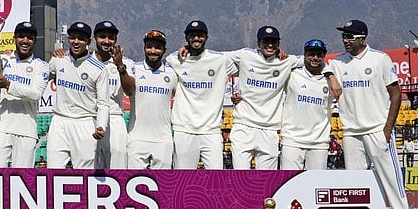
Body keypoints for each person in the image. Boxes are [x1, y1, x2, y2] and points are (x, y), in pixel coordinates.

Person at [328, 19, 418, 209]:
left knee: (393, 185)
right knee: (355, 188)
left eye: (350, 36)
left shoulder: (380, 59)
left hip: (377, 130)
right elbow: (320, 66)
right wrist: (330, 75)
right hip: (351, 133)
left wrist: (387, 129)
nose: (345, 40)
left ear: (363, 38)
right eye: (344, 36)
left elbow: (396, 94)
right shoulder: (338, 62)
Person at [227, 26, 302, 170]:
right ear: (258, 43)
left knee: (266, 182)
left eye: (274, 41)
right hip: (244, 126)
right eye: (266, 41)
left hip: (269, 130)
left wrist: (330, 75)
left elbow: (313, 60)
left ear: (279, 44)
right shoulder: (245, 55)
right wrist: (187, 49)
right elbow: (214, 58)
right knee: (240, 178)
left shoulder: (286, 61)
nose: (270, 45)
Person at [167, 20, 236, 169]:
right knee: (183, 180)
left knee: (216, 181)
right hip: (184, 130)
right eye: (192, 35)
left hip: (211, 131)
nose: (196, 38)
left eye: (200, 35)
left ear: (207, 37)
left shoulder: (220, 60)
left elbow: (249, 64)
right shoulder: (175, 59)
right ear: (186, 38)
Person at [0, 21, 49, 168]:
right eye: (21, 36)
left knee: (23, 180)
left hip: (26, 131)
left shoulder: (41, 66)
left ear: (35, 41)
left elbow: (36, 94)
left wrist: (8, 85)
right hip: (0, 128)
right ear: (14, 39)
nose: (25, 40)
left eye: (30, 37)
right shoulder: (2, 60)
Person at [45, 22, 109, 169]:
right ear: (68, 39)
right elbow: (42, 79)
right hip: (59, 121)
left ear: (88, 41)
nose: (76, 42)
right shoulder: (58, 60)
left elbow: (103, 103)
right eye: (73, 37)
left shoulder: (99, 68)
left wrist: (101, 126)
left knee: (84, 175)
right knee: (53, 172)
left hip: (84, 123)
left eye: (80, 38)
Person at [123, 30, 177, 169]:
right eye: (149, 46)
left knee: (162, 186)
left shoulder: (172, 73)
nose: (153, 51)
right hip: (136, 138)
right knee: (133, 183)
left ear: (164, 50)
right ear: (144, 48)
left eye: (157, 47)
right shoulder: (134, 68)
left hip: (163, 140)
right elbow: (127, 89)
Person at [279, 39, 333, 170]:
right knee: (289, 184)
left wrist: (331, 76)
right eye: (311, 54)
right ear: (304, 55)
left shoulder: (331, 79)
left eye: (319, 55)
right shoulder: (292, 73)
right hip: (292, 140)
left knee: (316, 186)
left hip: (319, 142)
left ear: (324, 56)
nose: (315, 58)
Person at [92, 20, 132, 169]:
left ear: (115, 40)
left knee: (118, 170)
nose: (106, 41)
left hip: (115, 119)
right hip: (90, 118)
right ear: (95, 38)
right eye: (102, 36)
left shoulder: (126, 63)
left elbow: (130, 91)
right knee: (90, 170)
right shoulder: (85, 62)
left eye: (111, 37)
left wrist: (120, 66)